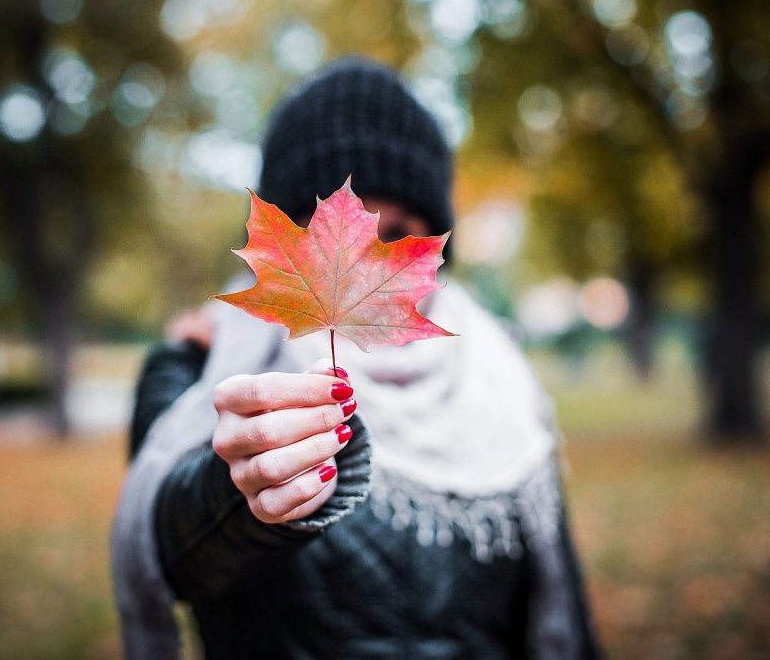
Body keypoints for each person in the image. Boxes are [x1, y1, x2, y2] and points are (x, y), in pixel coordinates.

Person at [111, 57, 599, 659]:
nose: (364, 263)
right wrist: (246, 494)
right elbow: (179, 549)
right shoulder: (199, 372)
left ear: (435, 247)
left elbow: (559, 613)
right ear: (279, 245)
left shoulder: (502, 382)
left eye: (394, 234)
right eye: (331, 230)